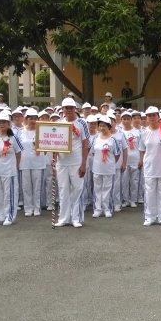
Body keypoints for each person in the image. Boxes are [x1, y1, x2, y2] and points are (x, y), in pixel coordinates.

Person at [54, 97, 90, 228]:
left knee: (77, 189)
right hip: (62, 162)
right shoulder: (58, 123)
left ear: (75, 109)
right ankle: (63, 218)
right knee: (63, 190)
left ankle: (76, 218)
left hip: (76, 161)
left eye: (71, 107)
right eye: (66, 108)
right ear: (62, 109)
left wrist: (83, 164)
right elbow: (54, 144)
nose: (69, 110)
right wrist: (54, 157)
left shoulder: (82, 123)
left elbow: (86, 144)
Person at [139, 106, 161, 226]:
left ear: (158, 117)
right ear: (146, 118)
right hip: (149, 167)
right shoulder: (144, 133)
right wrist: (142, 162)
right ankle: (150, 217)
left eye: (154, 115)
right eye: (149, 115)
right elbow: (142, 150)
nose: (152, 117)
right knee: (150, 193)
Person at [89, 115, 122, 217]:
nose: (102, 128)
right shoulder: (95, 139)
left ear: (109, 127)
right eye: (100, 126)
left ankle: (107, 208)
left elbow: (117, 154)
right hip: (97, 168)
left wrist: (110, 162)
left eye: (104, 126)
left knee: (107, 189)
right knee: (97, 189)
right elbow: (93, 153)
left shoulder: (113, 140)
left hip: (108, 168)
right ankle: (97, 209)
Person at [18, 108, 48, 217]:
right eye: (31, 118)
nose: (33, 120)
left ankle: (37, 208)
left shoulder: (42, 131)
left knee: (37, 186)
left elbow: (46, 149)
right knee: (26, 187)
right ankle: (28, 208)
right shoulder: (20, 132)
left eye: (35, 118)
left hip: (38, 163)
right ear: (26, 119)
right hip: (24, 163)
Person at [119, 111, 141, 208]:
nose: (126, 121)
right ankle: (125, 200)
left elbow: (141, 147)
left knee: (134, 181)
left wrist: (141, 159)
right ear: (121, 120)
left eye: (128, 119)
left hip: (135, 159)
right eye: (124, 119)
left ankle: (133, 200)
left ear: (131, 120)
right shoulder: (120, 132)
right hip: (124, 160)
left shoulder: (137, 132)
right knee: (124, 181)